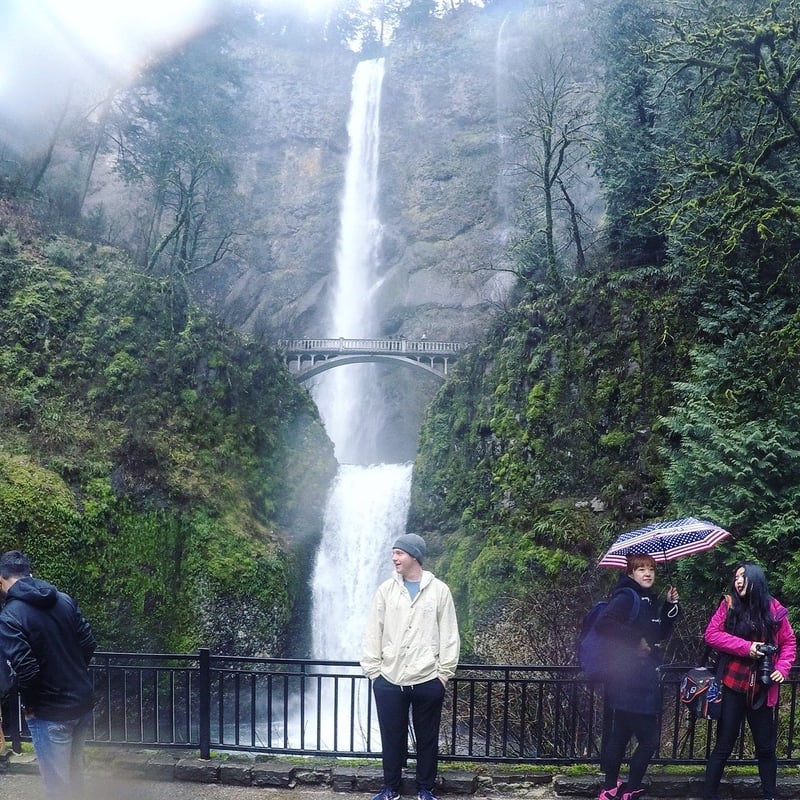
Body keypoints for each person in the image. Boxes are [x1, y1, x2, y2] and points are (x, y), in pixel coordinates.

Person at [361, 533, 460, 800]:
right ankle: (391, 788)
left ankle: (425, 789)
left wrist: (443, 675)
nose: (394, 558)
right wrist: (374, 672)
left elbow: (450, 634)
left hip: (428, 677)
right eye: (393, 553)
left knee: (427, 739)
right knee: (391, 737)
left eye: (399, 553)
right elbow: (373, 631)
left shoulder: (440, 591)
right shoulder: (386, 590)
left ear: (414, 556)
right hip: (390, 678)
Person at [0, 550, 97, 800]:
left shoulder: (10, 617)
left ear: (1, 580)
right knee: (76, 778)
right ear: (29, 574)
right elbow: (88, 643)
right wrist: (73, 674)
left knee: (56, 788)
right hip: (82, 701)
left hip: (50, 713)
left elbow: (26, 668)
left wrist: (32, 705)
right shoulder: (64, 599)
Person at [703, 563, 796, 800]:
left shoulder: (774, 609)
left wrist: (782, 668)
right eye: (736, 577)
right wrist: (748, 648)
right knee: (723, 746)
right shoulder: (729, 605)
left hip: (763, 688)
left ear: (756, 579)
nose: (738, 581)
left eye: (743, 576)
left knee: (765, 748)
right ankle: (708, 795)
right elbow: (711, 635)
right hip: (733, 685)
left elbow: (788, 643)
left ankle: (769, 796)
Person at [595, 553, 681, 800]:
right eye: (641, 569)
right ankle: (630, 789)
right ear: (630, 573)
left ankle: (610, 788)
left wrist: (670, 606)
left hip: (635, 677)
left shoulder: (646, 599)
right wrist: (636, 640)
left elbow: (658, 635)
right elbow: (604, 624)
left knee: (620, 735)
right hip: (633, 679)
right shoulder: (626, 596)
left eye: (651, 569)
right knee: (650, 739)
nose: (647, 573)